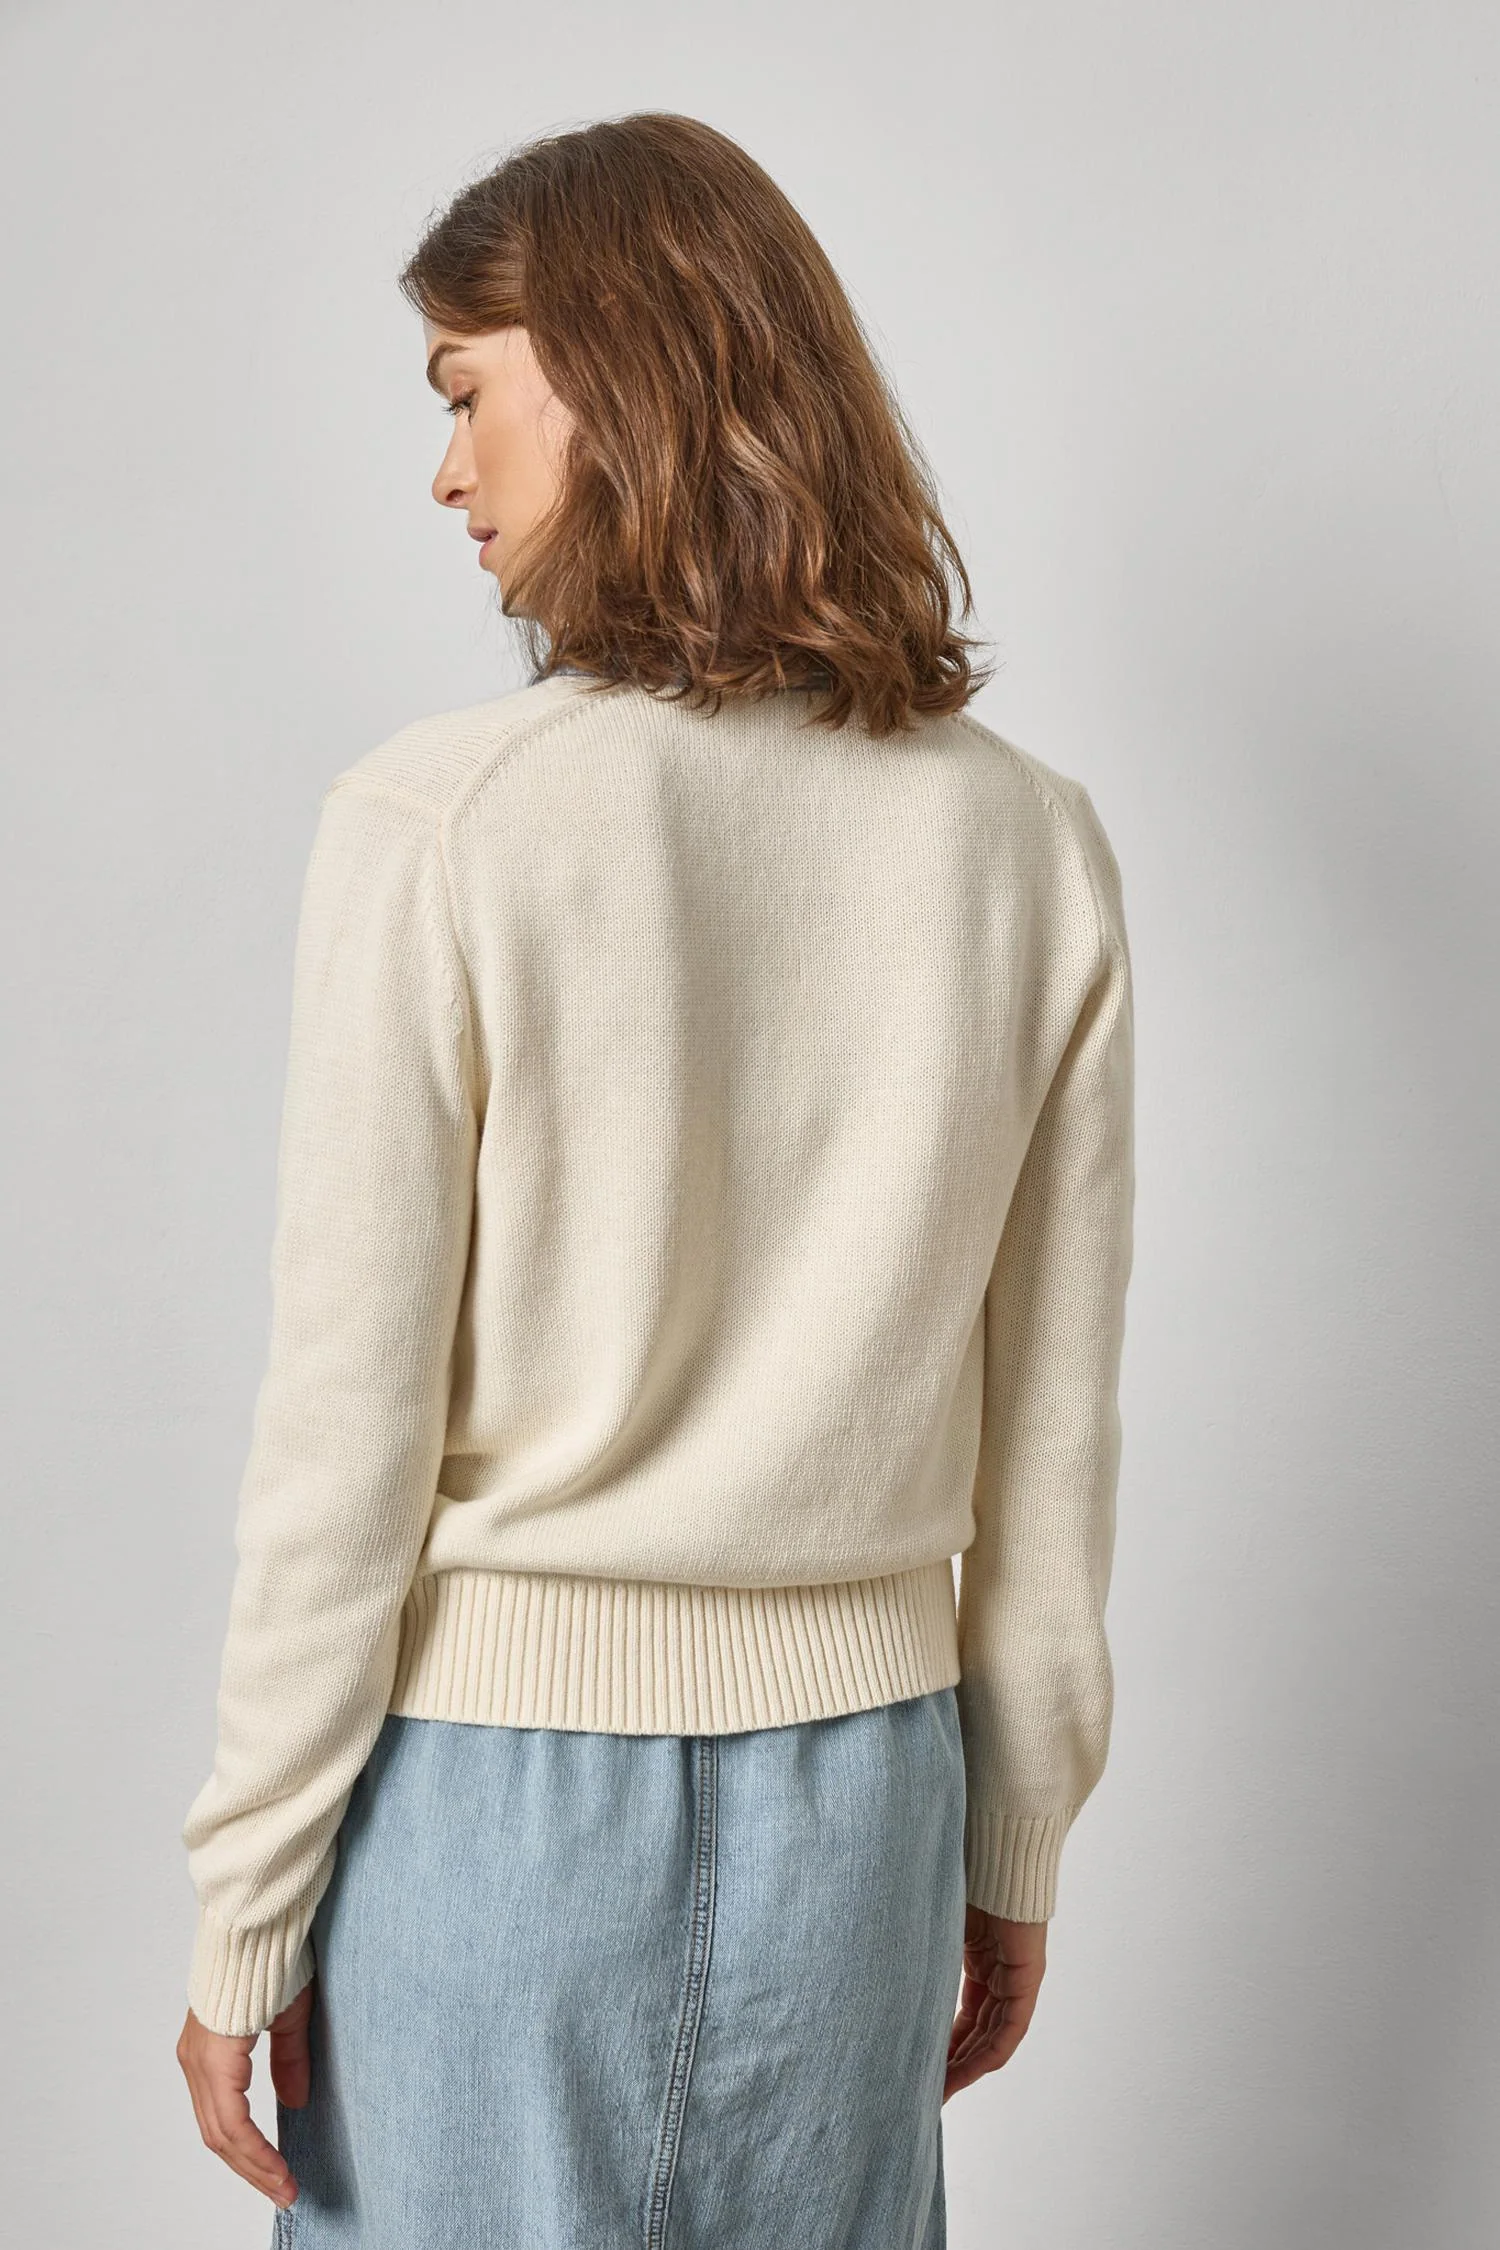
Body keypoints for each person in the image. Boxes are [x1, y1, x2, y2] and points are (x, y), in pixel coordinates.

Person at [176, 110, 1135, 2250]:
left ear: (614, 378)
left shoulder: (446, 825)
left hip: (490, 1812)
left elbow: (346, 1432)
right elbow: (1054, 1432)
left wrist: (246, 1903)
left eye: (466, 394)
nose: (447, 475)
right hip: (869, 1812)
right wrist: (1014, 1837)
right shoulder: (1028, 845)